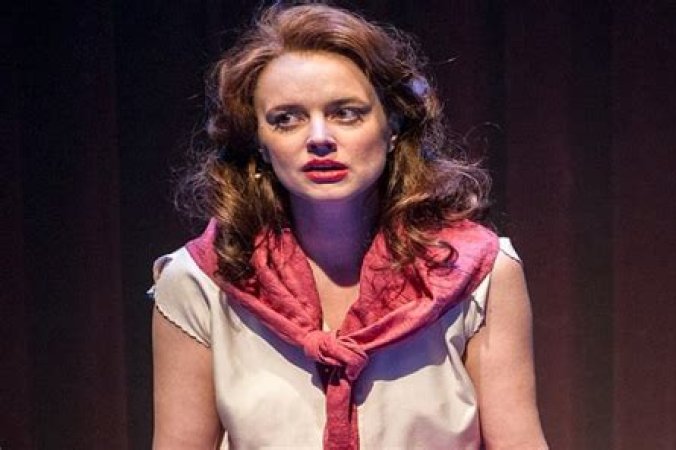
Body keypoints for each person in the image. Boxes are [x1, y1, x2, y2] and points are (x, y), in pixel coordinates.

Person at [150, 3, 548, 449]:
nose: (319, 138)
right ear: (259, 143)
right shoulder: (200, 281)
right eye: (286, 119)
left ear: (393, 125)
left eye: (346, 113)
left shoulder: (480, 274)